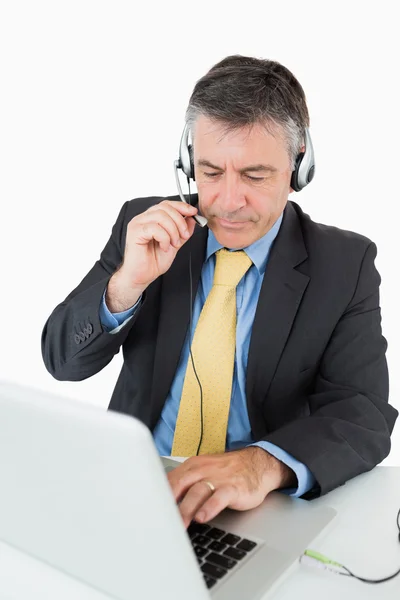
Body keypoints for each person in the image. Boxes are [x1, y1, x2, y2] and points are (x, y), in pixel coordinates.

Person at [42, 55, 398, 529]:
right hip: (135, 490)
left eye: (254, 176)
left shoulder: (344, 264)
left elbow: (362, 412)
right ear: (188, 163)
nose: (228, 202)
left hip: (254, 509)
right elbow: (61, 361)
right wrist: (126, 284)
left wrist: (262, 463)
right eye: (210, 173)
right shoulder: (144, 226)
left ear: (298, 167)